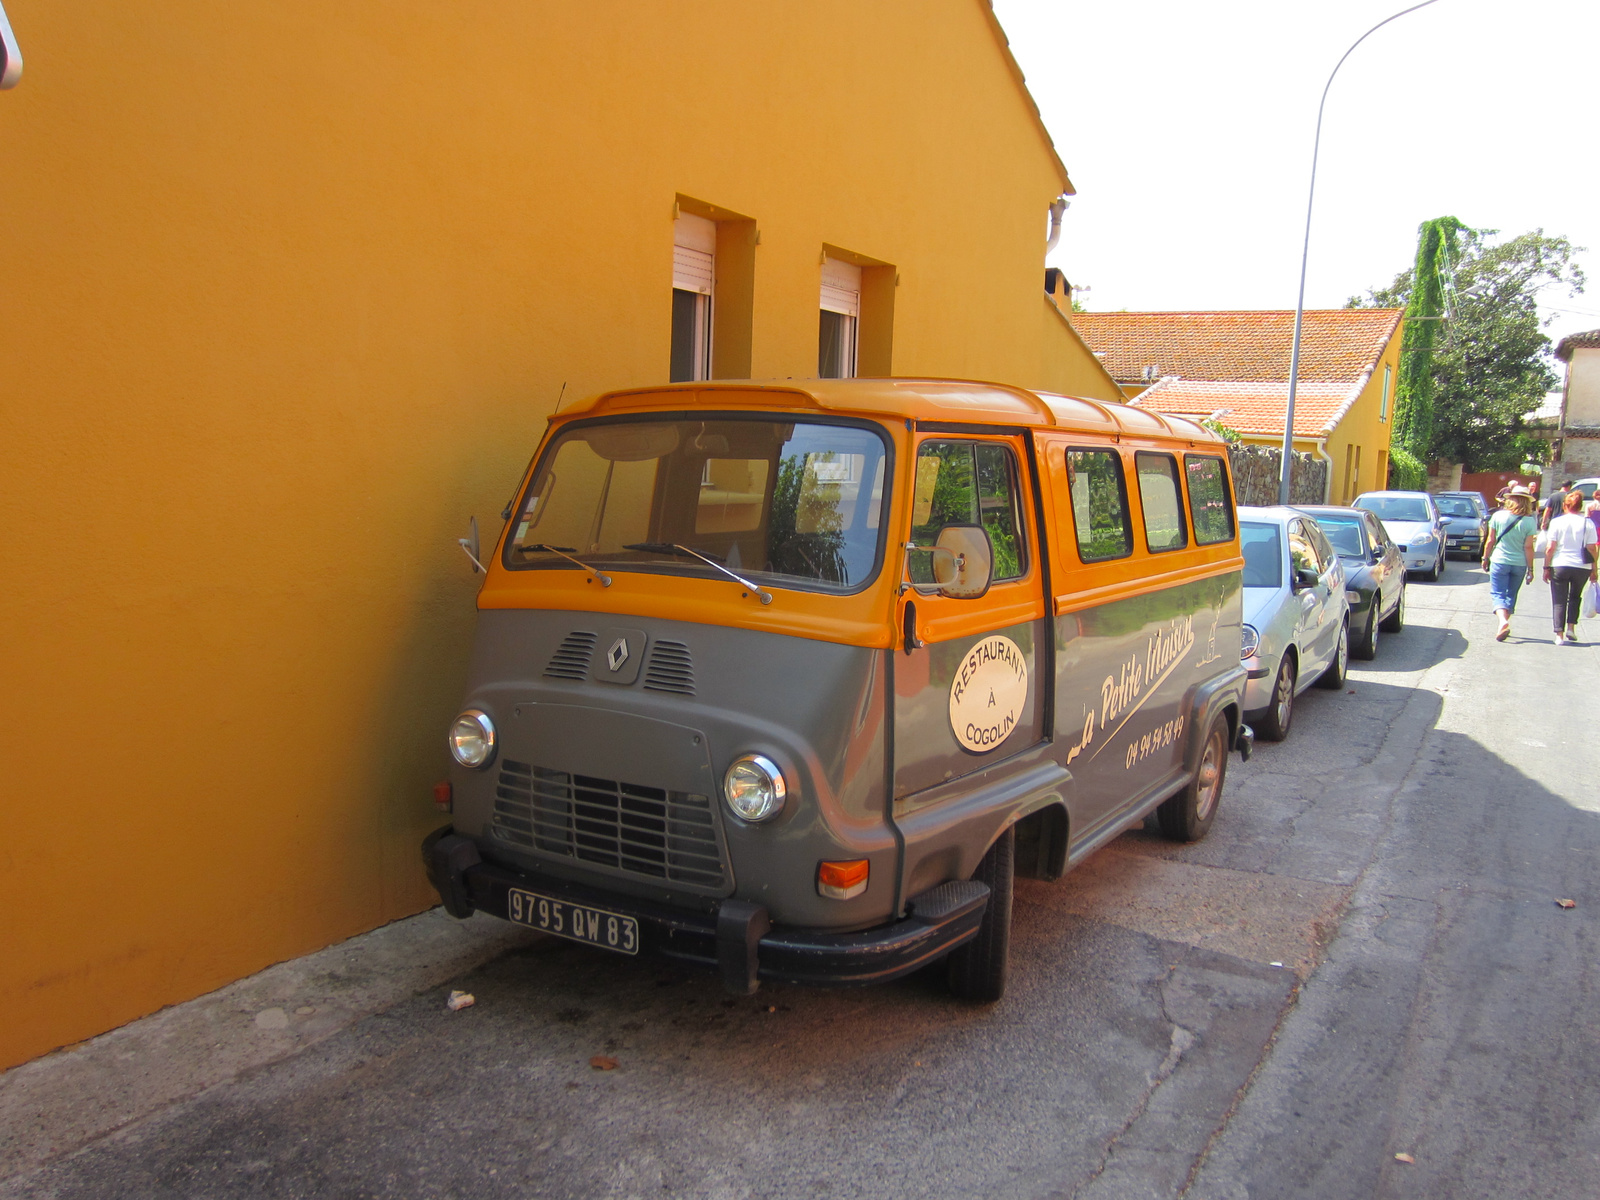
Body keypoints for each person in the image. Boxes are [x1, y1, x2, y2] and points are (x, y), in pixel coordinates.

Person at [1480, 486, 1539, 641]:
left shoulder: (1498, 516)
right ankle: (1505, 622)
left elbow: (1490, 540)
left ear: (1510, 499)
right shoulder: (1529, 521)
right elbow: (1528, 547)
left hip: (1499, 560)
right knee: (1511, 594)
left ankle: (1502, 621)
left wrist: (1485, 558)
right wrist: (1531, 569)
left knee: (1498, 593)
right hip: (1519, 563)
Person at [1542, 488, 1599, 644]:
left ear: (1565, 506)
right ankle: (1571, 628)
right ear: (1580, 506)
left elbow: (1550, 547)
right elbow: (1592, 548)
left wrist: (1546, 567)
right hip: (1582, 566)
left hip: (1560, 564)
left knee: (1559, 599)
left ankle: (1558, 635)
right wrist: (1594, 569)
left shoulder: (1557, 522)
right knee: (1575, 597)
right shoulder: (1588, 523)